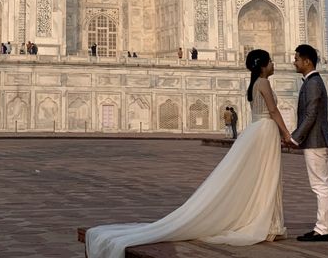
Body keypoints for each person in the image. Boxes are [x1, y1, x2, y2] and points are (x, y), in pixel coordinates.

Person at [86, 49, 291, 257]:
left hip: (256, 130)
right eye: (271, 62)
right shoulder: (263, 83)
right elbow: (273, 111)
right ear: (263, 65)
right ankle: (266, 223)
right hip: (265, 130)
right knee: (267, 177)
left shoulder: (254, 83)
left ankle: (265, 222)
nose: (274, 64)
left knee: (260, 177)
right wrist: (287, 133)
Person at [289, 44, 328, 243]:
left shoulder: (313, 83)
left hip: (316, 141)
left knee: (320, 186)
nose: (294, 62)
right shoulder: (311, 81)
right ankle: (324, 227)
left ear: (307, 61)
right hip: (316, 140)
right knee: (323, 185)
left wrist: (295, 137)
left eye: (297, 59)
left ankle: (323, 229)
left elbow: (311, 114)